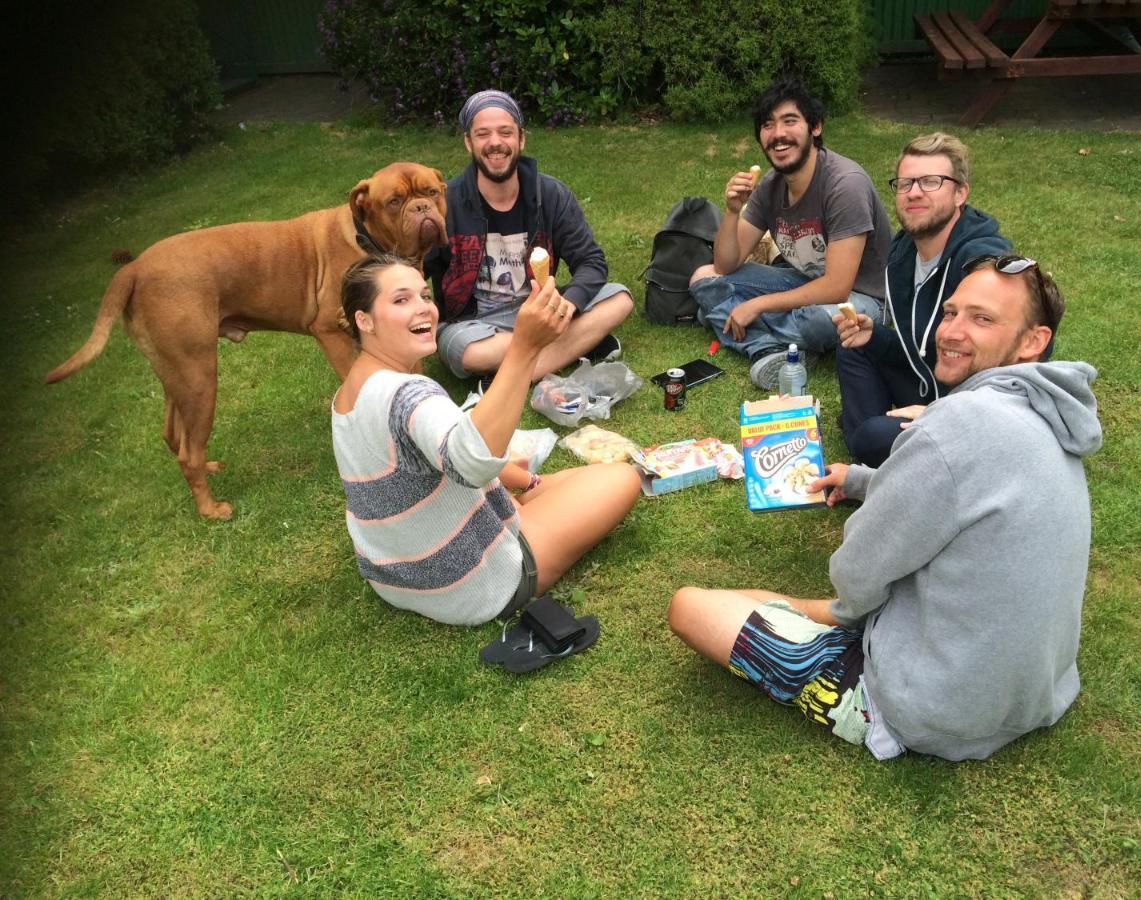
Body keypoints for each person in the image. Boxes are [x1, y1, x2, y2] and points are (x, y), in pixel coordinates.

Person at [669, 255, 1102, 761]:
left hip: (933, 710)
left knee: (692, 605)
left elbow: (857, 578)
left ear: (1032, 341)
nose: (952, 331)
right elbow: (961, 492)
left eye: (982, 319)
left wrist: (824, 611)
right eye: (951, 313)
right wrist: (860, 479)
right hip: (1035, 692)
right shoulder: (1046, 411)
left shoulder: (953, 425)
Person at [331, 254, 641, 626]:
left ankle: (523, 495)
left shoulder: (350, 392)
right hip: (471, 586)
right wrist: (525, 347)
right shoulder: (410, 395)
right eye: (401, 300)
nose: (423, 310)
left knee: (569, 479)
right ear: (363, 320)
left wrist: (520, 479)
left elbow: (439, 454)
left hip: (394, 576)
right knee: (621, 478)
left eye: (424, 296)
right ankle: (521, 512)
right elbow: (473, 463)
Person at [688, 74, 891, 390]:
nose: (778, 134)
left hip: (864, 300)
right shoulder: (770, 185)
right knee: (703, 277)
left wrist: (756, 305)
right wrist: (731, 211)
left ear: (815, 127)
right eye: (768, 125)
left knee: (814, 320)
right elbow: (725, 265)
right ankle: (770, 349)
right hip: (805, 284)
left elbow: (837, 287)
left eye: (790, 121)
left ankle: (731, 321)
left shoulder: (844, 184)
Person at [424, 89, 633, 391]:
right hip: (477, 324)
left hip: (542, 309)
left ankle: (510, 374)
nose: (495, 142)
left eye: (505, 132)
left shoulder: (550, 194)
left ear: (521, 139)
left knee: (620, 299)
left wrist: (567, 306)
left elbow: (591, 261)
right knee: (466, 352)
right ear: (469, 142)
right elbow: (416, 271)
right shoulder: (447, 202)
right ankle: (574, 348)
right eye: (483, 134)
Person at [835, 132, 1011, 467]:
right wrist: (876, 336)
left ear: (960, 192)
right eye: (905, 183)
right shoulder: (903, 251)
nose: (914, 193)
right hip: (928, 380)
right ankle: (874, 452)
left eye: (931, 182)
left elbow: (1015, 366)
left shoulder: (983, 263)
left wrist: (940, 412)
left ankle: (874, 453)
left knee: (873, 438)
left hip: (974, 413)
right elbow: (920, 347)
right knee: (854, 342)